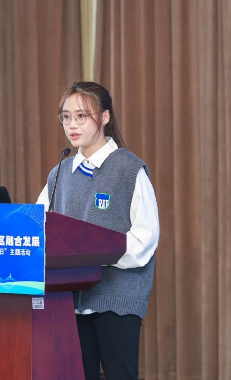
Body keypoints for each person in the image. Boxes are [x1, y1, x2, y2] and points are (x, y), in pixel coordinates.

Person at [37, 81, 160, 380]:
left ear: (104, 117)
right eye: (66, 117)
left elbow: (144, 240)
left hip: (116, 300)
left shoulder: (128, 169)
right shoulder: (59, 173)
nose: (72, 125)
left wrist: (92, 255)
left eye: (82, 116)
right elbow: (37, 230)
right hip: (68, 301)